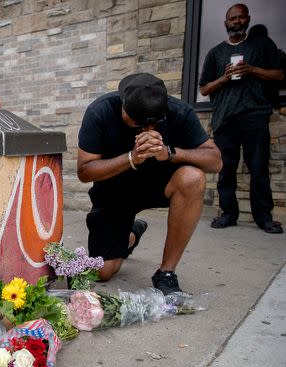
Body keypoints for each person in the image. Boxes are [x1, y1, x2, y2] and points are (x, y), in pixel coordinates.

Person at [77, 73, 222, 295]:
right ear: (123, 107)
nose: (147, 129)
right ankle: (132, 234)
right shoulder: (100, 111)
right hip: (114, 191)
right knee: (102, 272)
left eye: (155, 122)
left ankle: (166, 272)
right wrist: (131, 158)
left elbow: (215, 161)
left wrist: (170, 153)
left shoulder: (179, 111)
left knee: (193, 178)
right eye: (138, 122)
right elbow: (84, 171)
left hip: (160, 186)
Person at [199, 4, 285, 234]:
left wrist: (252, 69)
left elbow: (279, 74)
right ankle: (228, 213)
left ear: (247, 19)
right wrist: (224, 78)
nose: (236, 21)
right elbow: (204, 89)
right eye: (232, 18)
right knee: (226, 169)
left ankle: (264, 217)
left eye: (240, 17)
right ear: (225, 23)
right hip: (225, 118)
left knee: (258, 168)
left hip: (254, 115)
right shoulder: (215, 53)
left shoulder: (262, 45)